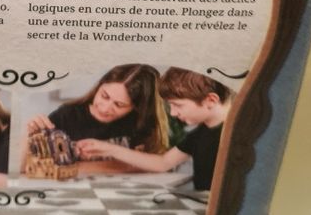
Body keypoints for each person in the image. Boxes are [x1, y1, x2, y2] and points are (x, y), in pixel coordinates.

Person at [76, 67, 232, 190]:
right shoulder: (201, 132)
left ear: (210, 100)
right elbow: (163, 163)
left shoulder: (237, 135)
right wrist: (108, 149)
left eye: (178, 105)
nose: (173, 113)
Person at [26, 63, 169, 174]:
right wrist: (29, 135)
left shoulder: (139, 122)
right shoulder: (67, 115)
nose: (105, 108)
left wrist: (111, 152)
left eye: (119, 105)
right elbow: (33, 166)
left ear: (137, 108)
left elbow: (153, 165)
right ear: (99, 86)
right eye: (104, 96)